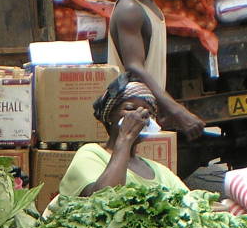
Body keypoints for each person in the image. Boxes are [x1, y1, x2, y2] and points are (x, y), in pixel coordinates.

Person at [108, 0, 204, 141]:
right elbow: (134, 66)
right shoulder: (129, 9)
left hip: (145, 117)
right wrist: (175, 109)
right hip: (130, 119)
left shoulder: (150, 8)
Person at [57, 73, 188, 198]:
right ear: (110, 116)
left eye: (148, 113)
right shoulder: (91, 154)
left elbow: (191, 204)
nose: (140, 116)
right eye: (130, 109)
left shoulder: (160, 171)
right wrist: (126, 138)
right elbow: (104, 200)